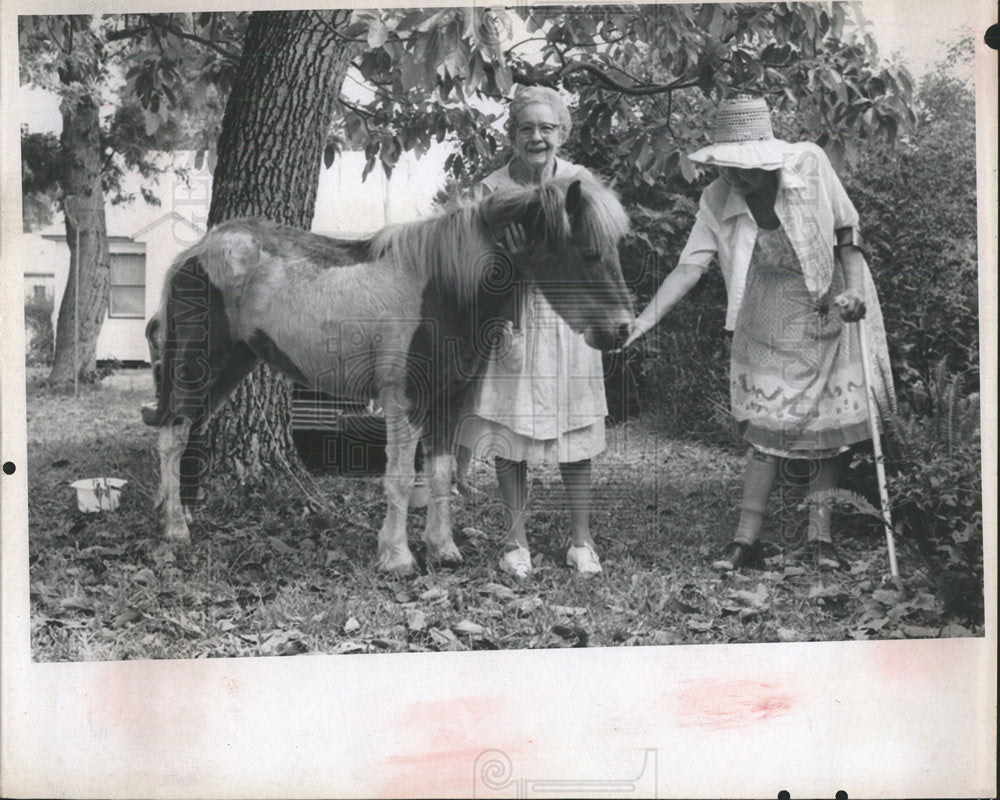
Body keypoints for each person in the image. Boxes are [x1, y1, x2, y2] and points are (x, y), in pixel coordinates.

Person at [626, 95, 894, 571]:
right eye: (727, 166)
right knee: (768, 424)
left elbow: (848, 236)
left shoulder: (809, 164)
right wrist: (642, 322)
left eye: (743, 167)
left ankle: (820, 537)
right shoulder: (716, 197)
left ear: (767, 158)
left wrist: (854, 294)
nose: (735, 177)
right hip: (765, 307)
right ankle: (745, 540)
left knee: (826, 425)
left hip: (829, 300)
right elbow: (689, 268)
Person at [455, 85, 608, 578]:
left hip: (568, 322)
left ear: (562, 133)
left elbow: (595, 257)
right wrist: (510, 264)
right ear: (511, 134)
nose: (537, 137)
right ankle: (514, 542)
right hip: (511, 319)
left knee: (576, 428)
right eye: (526, 128)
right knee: (508, 430)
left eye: (547, 128)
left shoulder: (582, 184)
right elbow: (468, 270)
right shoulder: (488, 191)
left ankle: (581, 541)